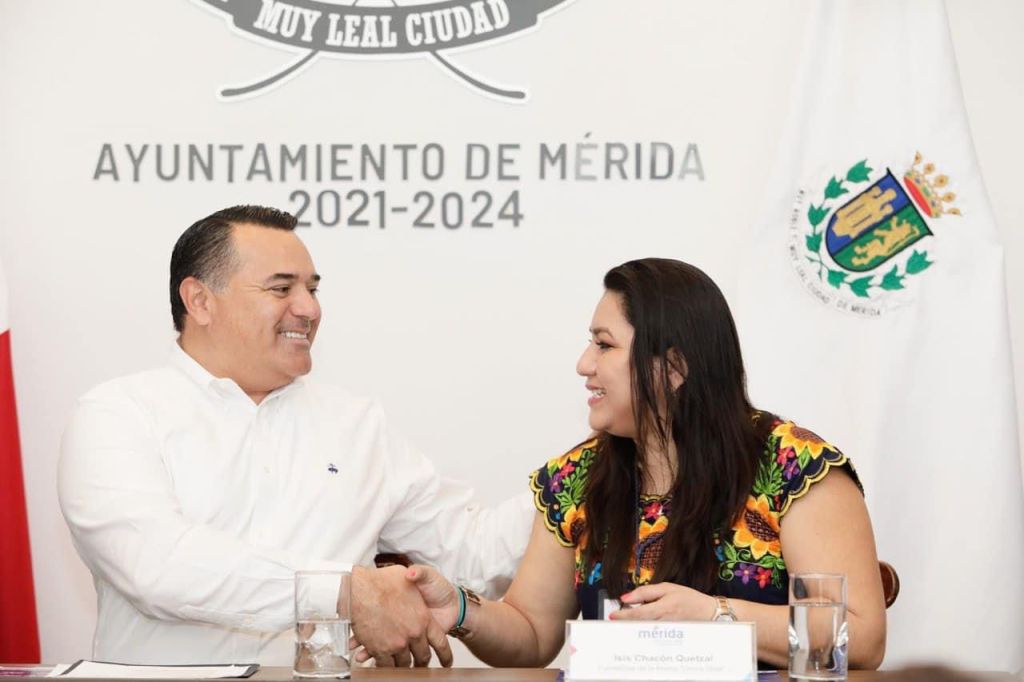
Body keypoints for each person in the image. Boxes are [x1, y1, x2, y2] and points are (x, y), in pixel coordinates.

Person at [58, 205, 532, 667]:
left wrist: (570, 479)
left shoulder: (357, 425)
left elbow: (475, 553)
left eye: (312, 288)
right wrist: (345, 592)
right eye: (281, 288)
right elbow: (157, 565)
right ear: (200, 301)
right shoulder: (118, 414)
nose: (309, 308)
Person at [400, 258, 887, 669]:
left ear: (673, 368)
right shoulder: (576, 479)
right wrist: (459, 609)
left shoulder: (795, 468)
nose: (584, 364)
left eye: (604, 344)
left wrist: (713, 616)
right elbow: (531, 634)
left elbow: (860, 638)